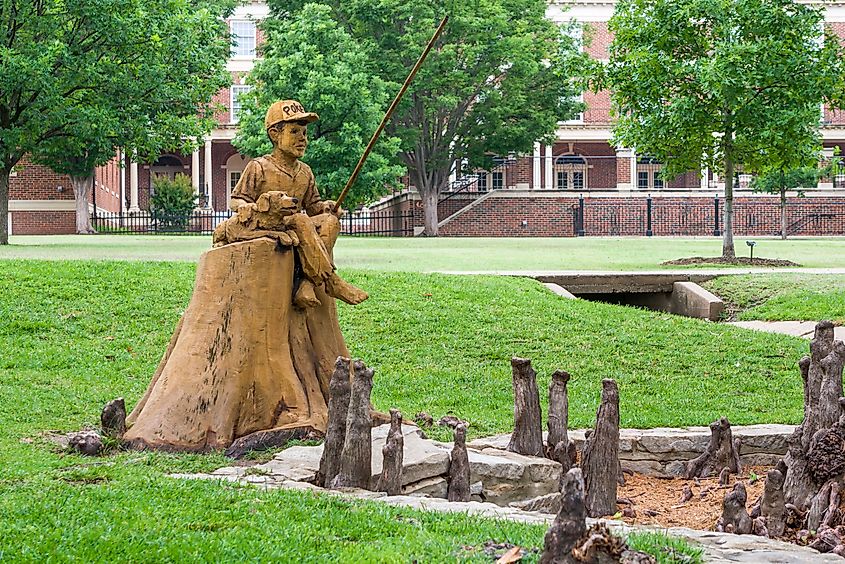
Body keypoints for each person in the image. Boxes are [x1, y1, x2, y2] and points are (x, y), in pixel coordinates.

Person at [230, 99, 367, 307]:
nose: (302, 139)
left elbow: (314, 208)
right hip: (273, 226)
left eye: (304, 133)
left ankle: (307, 284)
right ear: (275, 135)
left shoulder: (306, 172)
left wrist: (327, 208)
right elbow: (236, 199)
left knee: (330, 222)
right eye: (294, 132)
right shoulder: (258, 167)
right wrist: (245, 207)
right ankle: (331, 281)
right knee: (301, 220)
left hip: (300, 227)